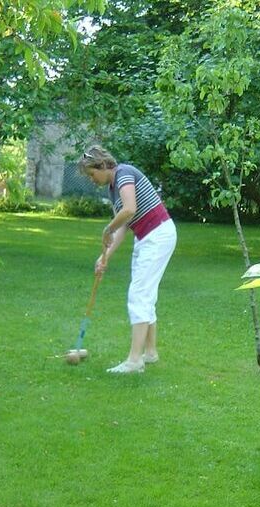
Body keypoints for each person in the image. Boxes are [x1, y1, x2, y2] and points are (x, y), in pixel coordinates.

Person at [78, 146, 177, 374]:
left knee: (139, 294)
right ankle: (150, 353)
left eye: (92, 174)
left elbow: (129, 209)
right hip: (147, 237)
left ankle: (134, 361)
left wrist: (106, 228)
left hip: (157, 234)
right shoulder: (113, 189)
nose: (92, 180)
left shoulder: (124, 173)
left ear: (102, 165)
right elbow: (123, 225)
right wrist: (104, 258)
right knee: (145, 294)